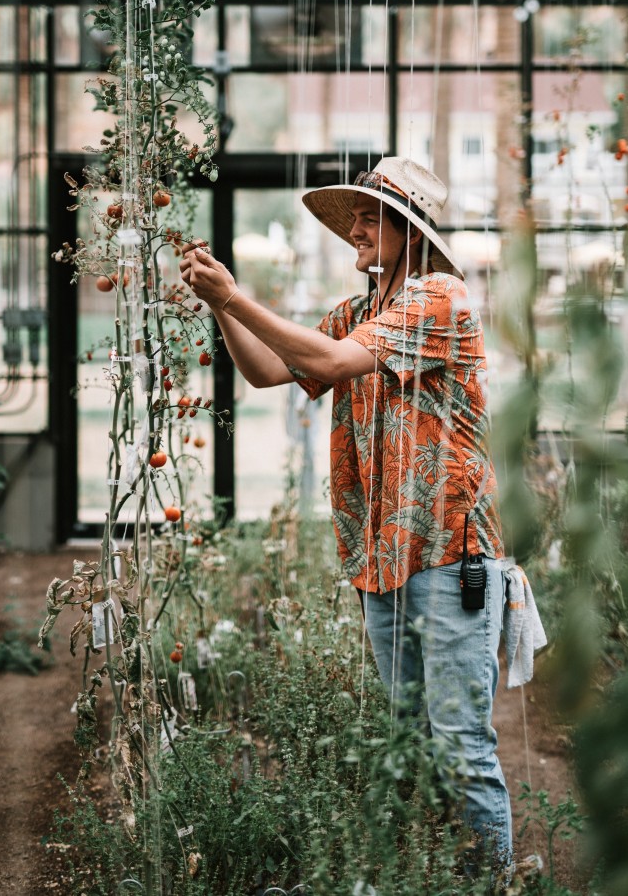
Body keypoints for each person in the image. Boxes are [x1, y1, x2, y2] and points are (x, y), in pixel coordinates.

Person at [179, 156, 512, 870]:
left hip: (450, 558)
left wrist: (236, 298)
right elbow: (269, 369)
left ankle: (496, 884)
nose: (353, 230)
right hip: (382, 558)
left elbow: (329, 367)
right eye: (353, 218)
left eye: (368, 218)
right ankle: (433, 874)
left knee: (460, 743)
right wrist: (218, 305)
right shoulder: (360, 314)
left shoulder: (440, 298)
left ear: (410, 231)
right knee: (410, 739)